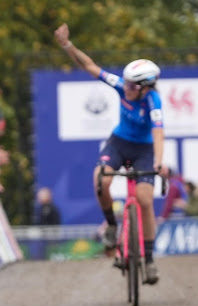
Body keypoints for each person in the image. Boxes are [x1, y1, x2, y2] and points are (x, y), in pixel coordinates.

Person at [55, 23, 168, 284]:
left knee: (145, 199)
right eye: (126, 84)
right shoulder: (122, 85)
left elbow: (159, 133)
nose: (125, 88)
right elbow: (90, 66)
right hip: (118, 142)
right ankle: (112, 226)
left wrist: (159, 163)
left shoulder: (153, 102)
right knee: (101, 179)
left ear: (146, 87)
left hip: (144, 149)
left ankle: (149, 260)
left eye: (131, 86)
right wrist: (67, 45)